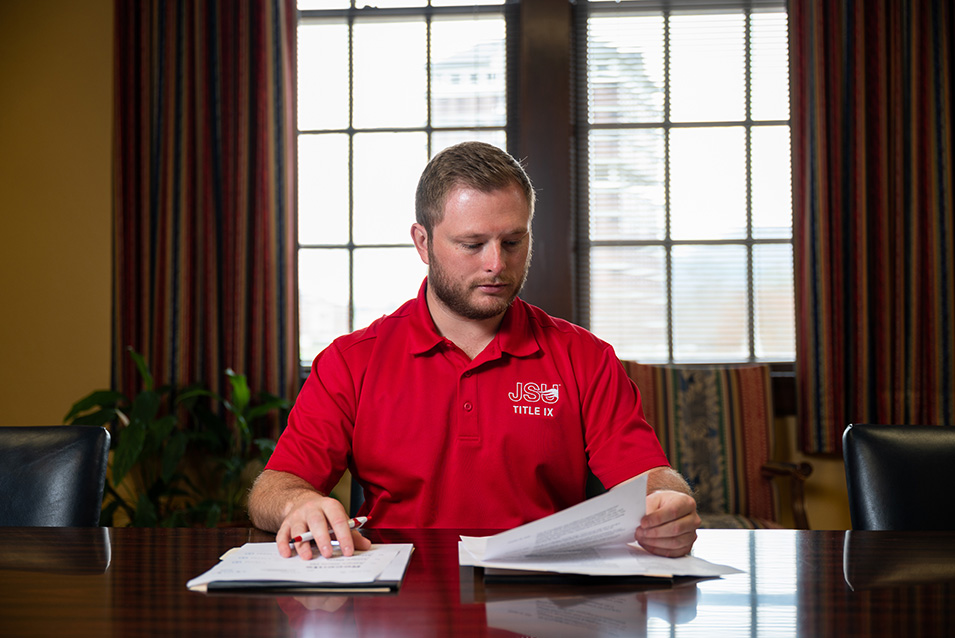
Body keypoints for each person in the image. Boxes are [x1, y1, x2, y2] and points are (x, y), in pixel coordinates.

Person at [248, 141, 700, 560]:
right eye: (472, 244)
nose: (496, 264)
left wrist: (667, 503)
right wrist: (300, 502)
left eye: (512, 242)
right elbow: (274, 486)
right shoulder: (351, 361)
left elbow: (648, 476)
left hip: (545, 593)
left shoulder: (585, 357)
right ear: (423, 243)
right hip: (401, 592)